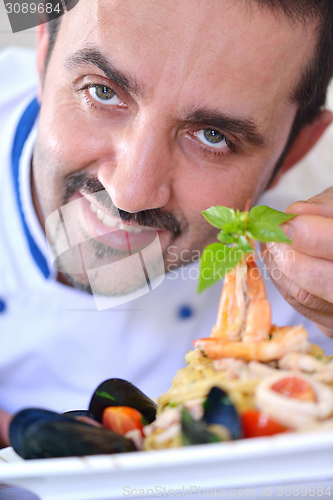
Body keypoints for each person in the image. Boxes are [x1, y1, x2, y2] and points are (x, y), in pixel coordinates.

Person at [0, 0, 333, 448]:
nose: (130, 191)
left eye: (213, 136)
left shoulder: (313, 279)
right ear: (42, 53)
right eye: (102, 91)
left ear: (294, 152)